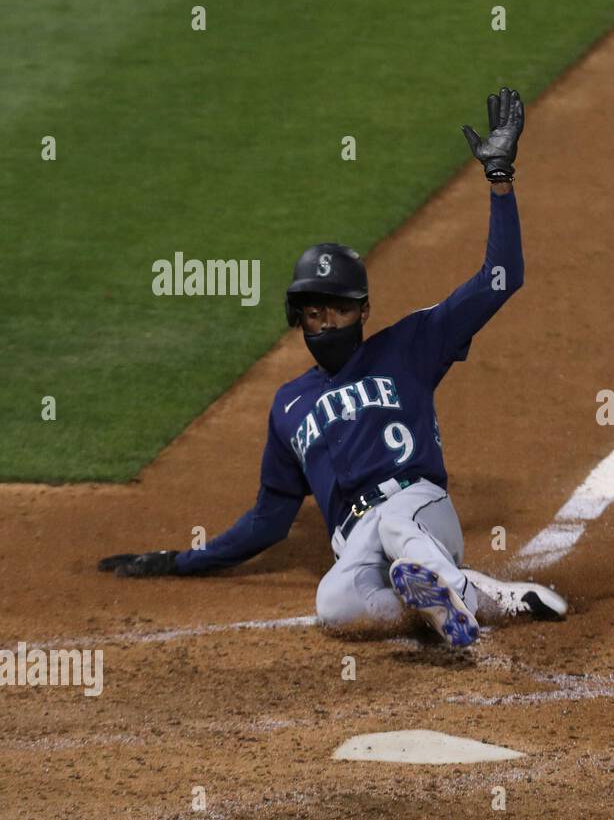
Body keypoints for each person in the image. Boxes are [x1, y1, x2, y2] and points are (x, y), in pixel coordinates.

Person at [99, 88, 566, 647]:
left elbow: (502, 276)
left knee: (396, 523)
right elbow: (269, 521)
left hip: (419, 509)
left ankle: (452, 608)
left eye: (339, 308)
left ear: (363, 310)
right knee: (334, 604)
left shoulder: (410, 345)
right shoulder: (289, 406)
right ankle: (475, 599)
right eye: (315, 312)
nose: (327, 323)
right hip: (355, 538)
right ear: (299, 317)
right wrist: (182, 560)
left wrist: (499, 177)